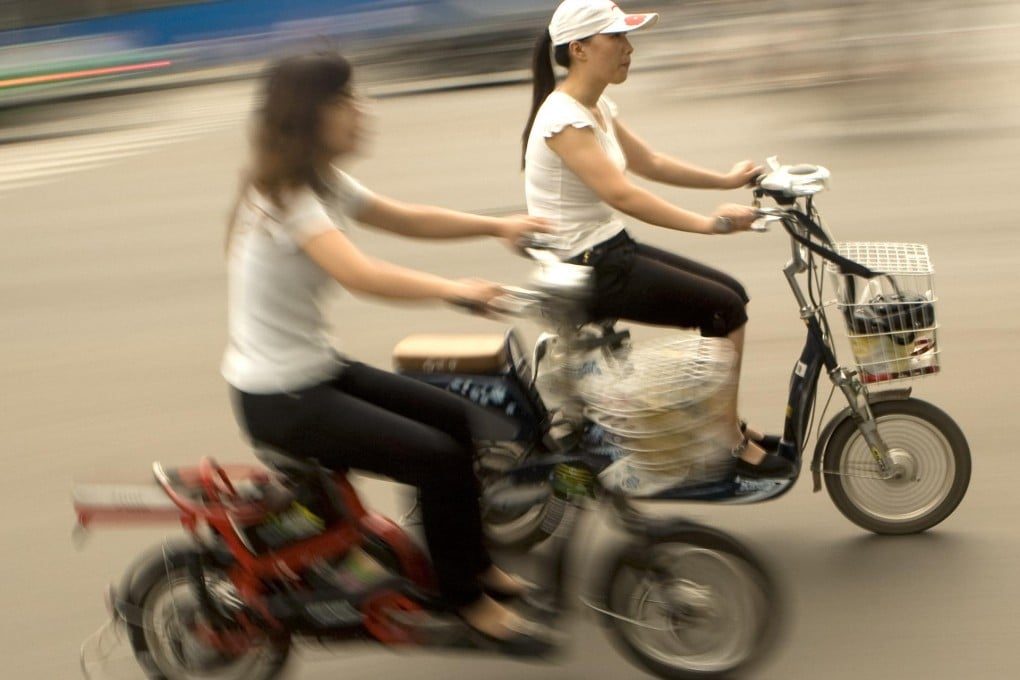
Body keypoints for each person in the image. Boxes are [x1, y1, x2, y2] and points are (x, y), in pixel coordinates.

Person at [222, 51, 554, 654]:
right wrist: (452, 290)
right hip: (282, 398)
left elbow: (403, 218)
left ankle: (471, 566)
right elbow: (360, 273)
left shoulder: (320, 180)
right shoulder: (288, 201)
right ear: (309, 114)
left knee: (455, 418)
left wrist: (497, 225)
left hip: (311, 374)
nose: (361, 112)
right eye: (346, 101)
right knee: (434, 456)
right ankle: (463, 602)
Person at [521, 0, 794, 478]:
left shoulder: (594, 104)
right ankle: (724, 440)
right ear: (580, 49)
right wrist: (712, 225)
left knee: (732, 296)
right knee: (722, 309)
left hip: (606, 249)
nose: (629, 48)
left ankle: (721, 424)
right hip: (586, 268)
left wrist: (726, 180)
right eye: (617, 38)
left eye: (628, 38)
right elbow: (622, 192)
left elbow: (650, 162)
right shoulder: (563, 118)